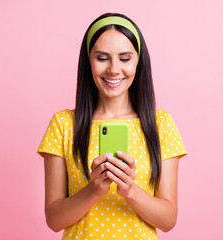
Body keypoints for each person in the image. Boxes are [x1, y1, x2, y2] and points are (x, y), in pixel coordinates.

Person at [37, 12, 187, 239]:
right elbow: (54, 220)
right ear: (88, 61)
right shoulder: (63, 124)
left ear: (139, 62)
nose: (114, 69)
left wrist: (130, 191)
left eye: (125, 58)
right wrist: (94, 189)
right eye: (102, 58)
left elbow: (168, 220)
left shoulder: (161, 124)